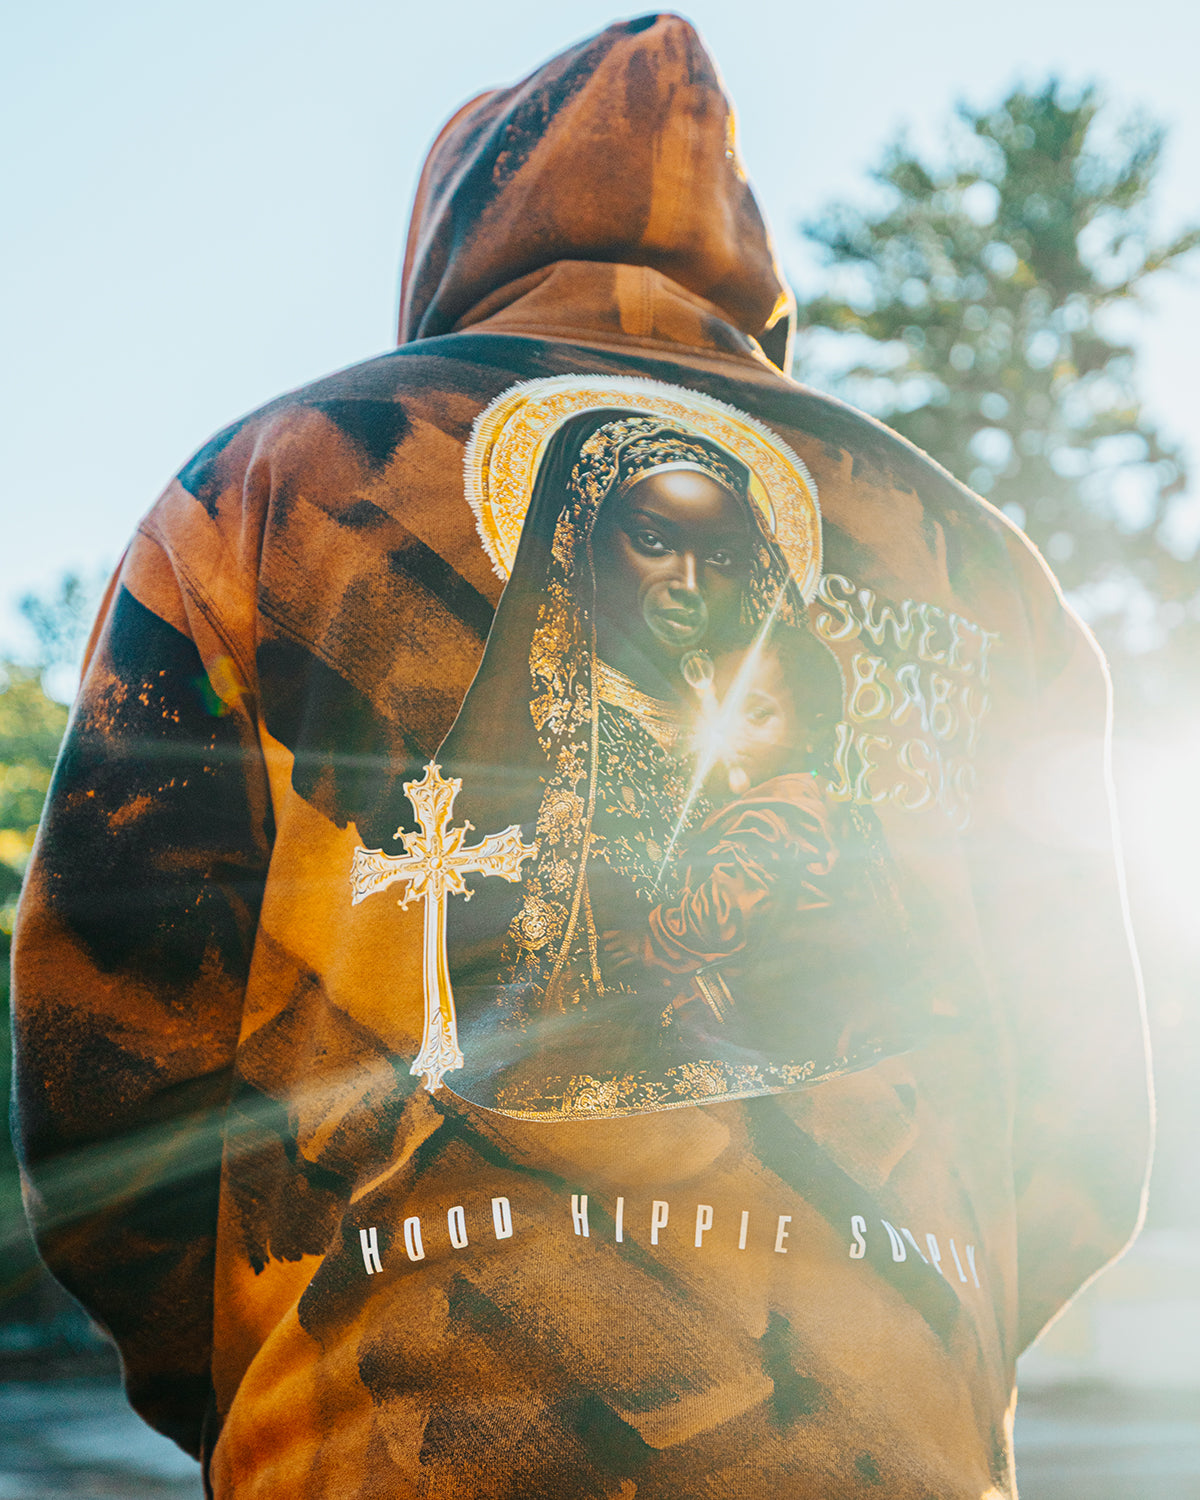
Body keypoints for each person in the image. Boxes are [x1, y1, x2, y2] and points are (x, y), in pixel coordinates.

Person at [11, 15, 1150, 1499]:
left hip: (388, 1441)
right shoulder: (977, 562)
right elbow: (1080, 1130)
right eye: (646, 544)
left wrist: (280, 1384)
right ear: (571, 546)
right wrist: (910, 1357)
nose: (687, 585)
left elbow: (109, 1065)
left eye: (720, 555)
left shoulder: (270, 487)